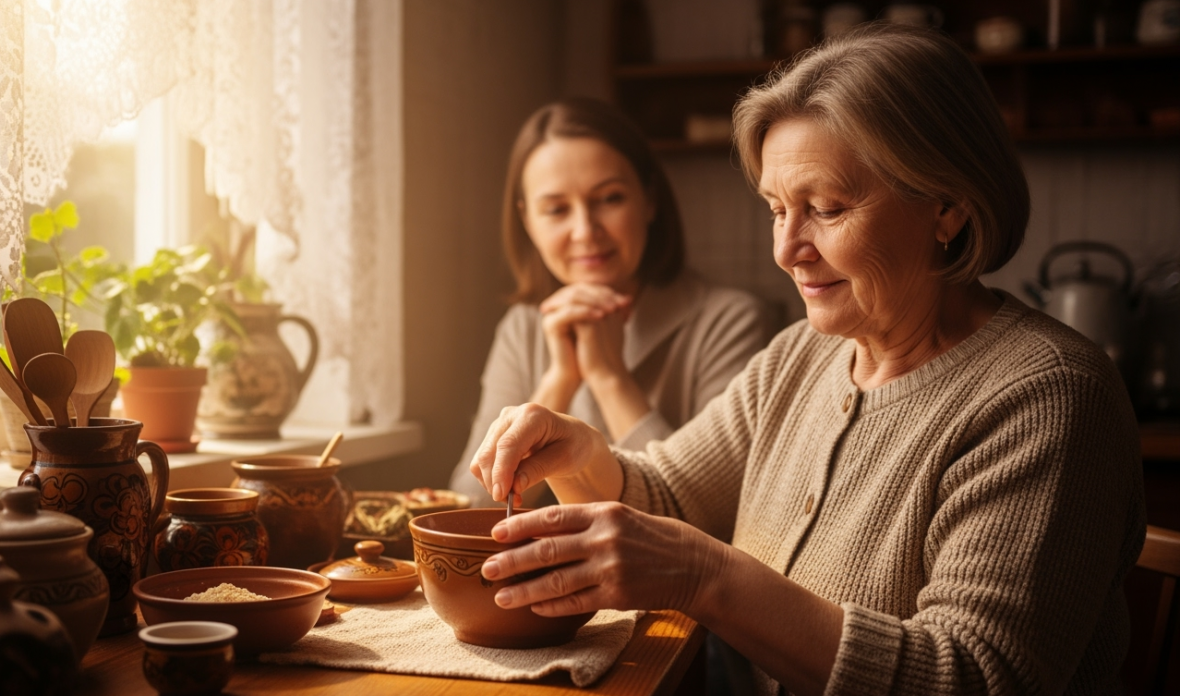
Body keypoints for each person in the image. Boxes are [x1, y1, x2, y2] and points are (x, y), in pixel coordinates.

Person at [466, 25, 1146, 695]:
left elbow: (970, 676)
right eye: (775, 209)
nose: (787, 249)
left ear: (947, 208)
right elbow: (669, 499)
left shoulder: (1048, 396)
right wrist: (580, 454)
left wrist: (707, 577)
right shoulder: (802, 354)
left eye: (824, 208)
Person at [448, 97, 771, 507]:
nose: (585, 230)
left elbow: (715, 513)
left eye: (609, 199)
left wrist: (608, 376)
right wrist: (560, 381)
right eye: (556, 209)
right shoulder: (523, 326)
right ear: (528, 221)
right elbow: (471, 511)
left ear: (649, 200)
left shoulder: (730, 321)